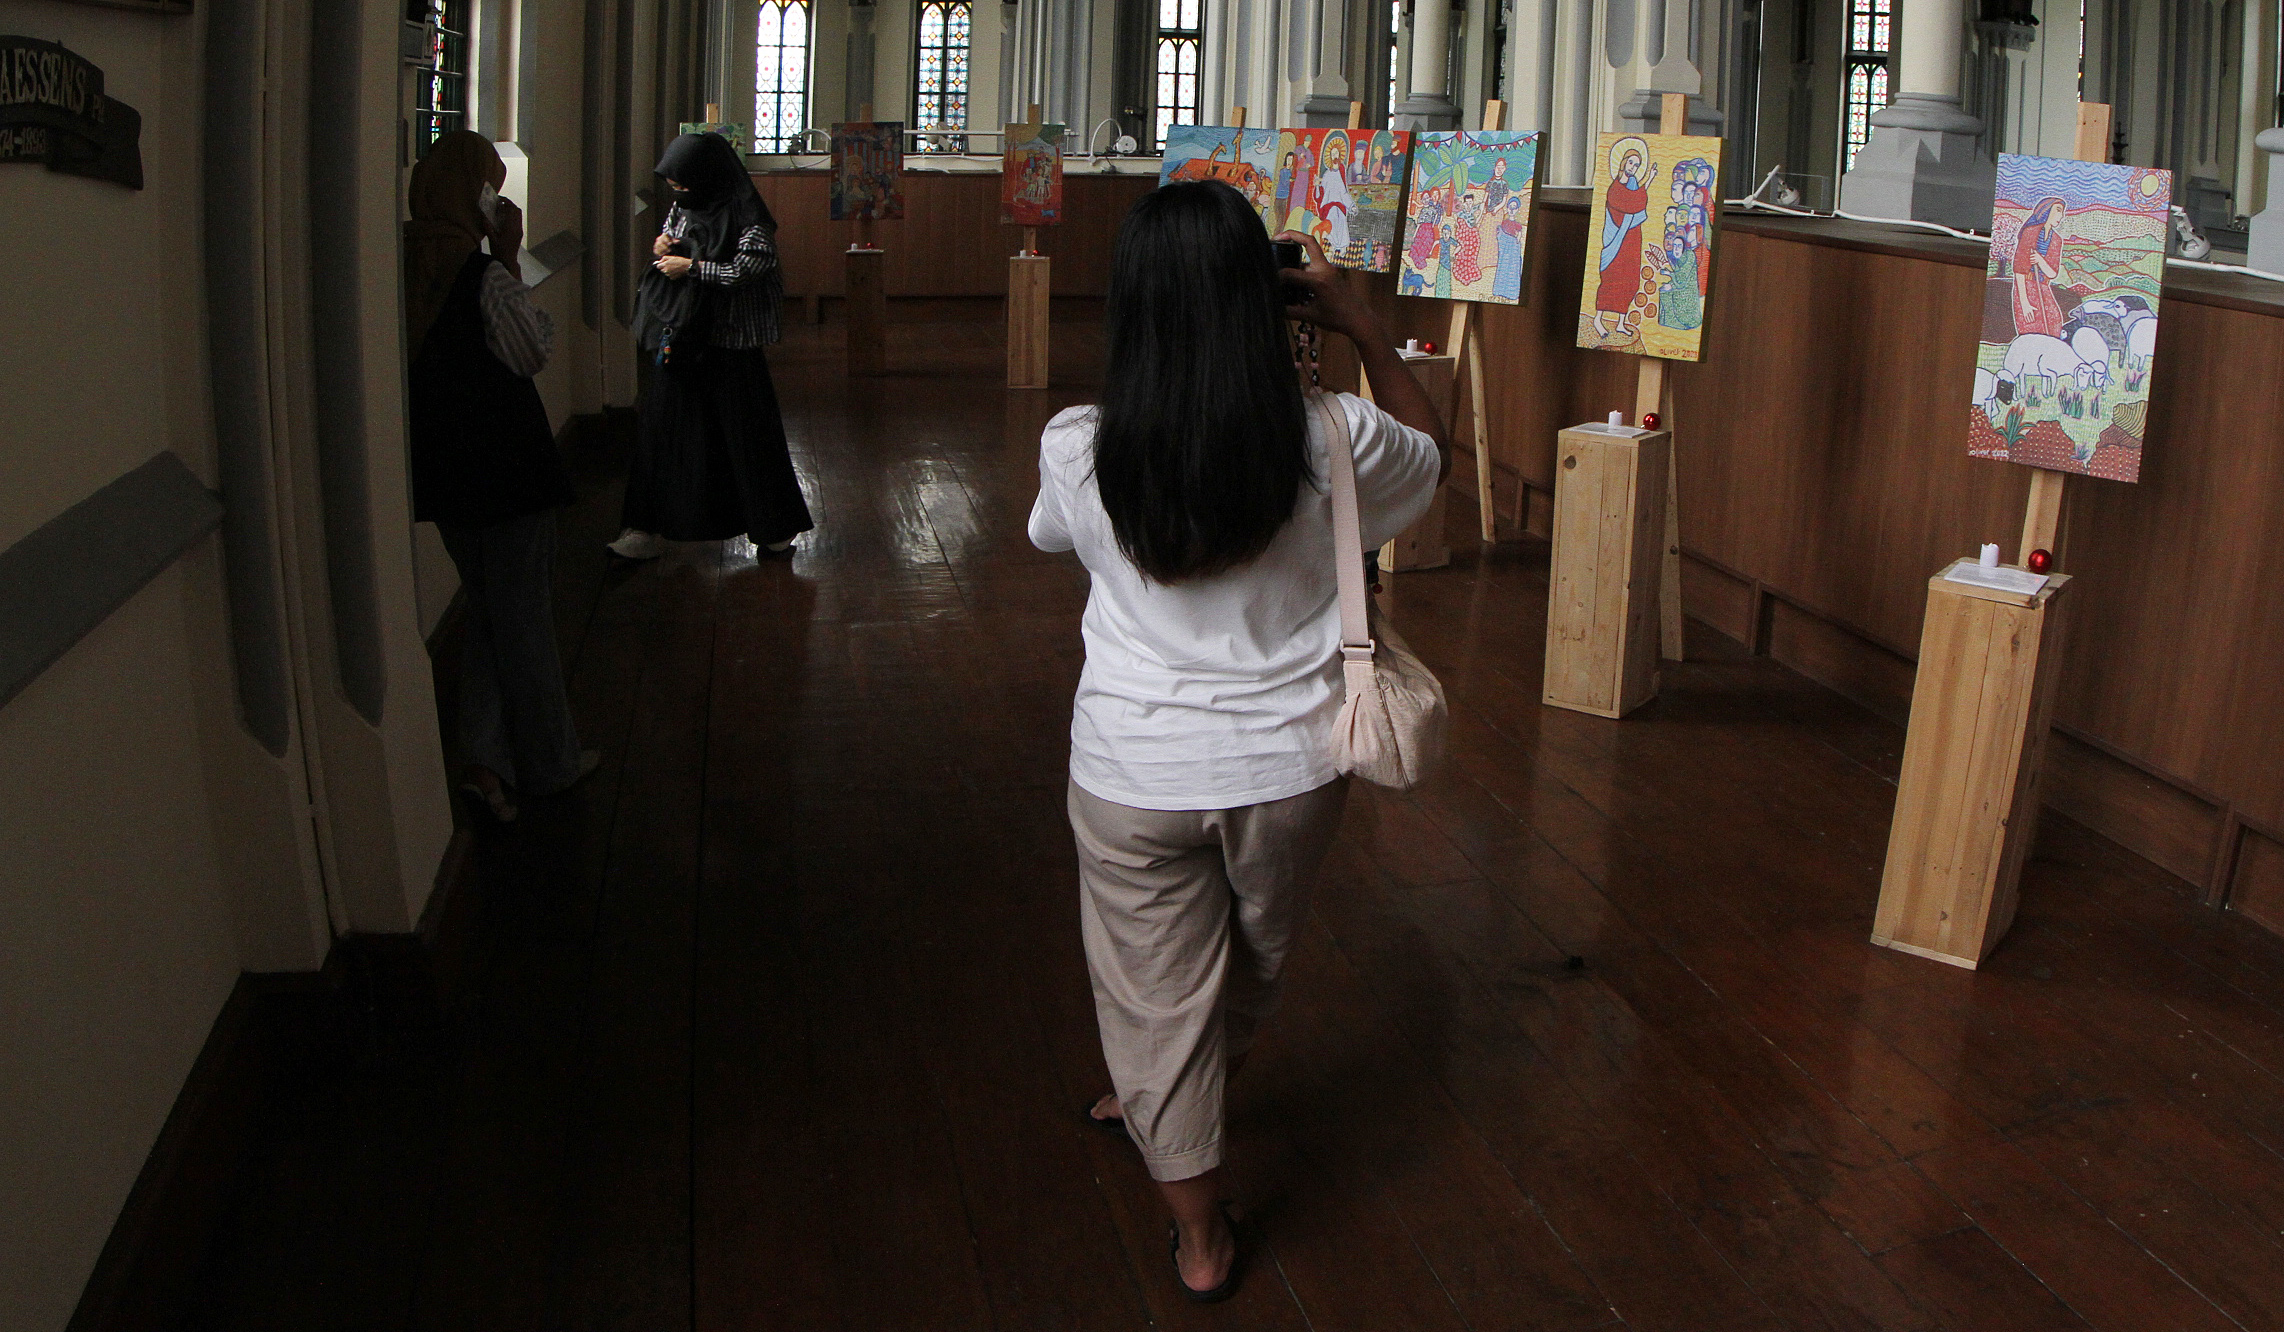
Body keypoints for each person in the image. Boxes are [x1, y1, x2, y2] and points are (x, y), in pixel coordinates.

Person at [1027, 181, 1451, 1302]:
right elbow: (1434, 452)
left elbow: (1051, 537)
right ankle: (1169, 1093)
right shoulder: (1337, 438)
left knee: (1150, 995)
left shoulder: (1077, 448)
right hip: (1289, 771)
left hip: (1129, 771)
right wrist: (1360, 322)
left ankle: (1197, 1225)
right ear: (1264, 301)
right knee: (1252, 961)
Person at [404, 130, 596, 822]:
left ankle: (484, 764)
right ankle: (550, 763)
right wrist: (508, 257)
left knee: (489, 615)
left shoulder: (403, 267)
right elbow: (530, 350)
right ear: (474, 195)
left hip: (447, 476)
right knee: (525, 624)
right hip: (508, 473)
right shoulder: (479, 274)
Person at [610, 132, 813, 561]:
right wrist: (663, 245)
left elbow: (750, 266)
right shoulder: (685, 204)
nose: (680, 194)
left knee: (747, 436)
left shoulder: (747, 214)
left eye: (684, 185)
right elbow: (672, 235)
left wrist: (694, 269)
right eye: (674, 187)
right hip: (685, 336)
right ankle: (645, 528)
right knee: (663, 432)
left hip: (731, 341)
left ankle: (774, 529)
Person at [1593, 142, 1657, 341]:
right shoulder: (1614, 189)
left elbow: (1638, 199)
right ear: (1623, 162)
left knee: (1630, 280)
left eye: (1637, 165)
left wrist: (1649, 179)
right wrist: (1648, 181)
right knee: (1611, 279)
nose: (1633, 168)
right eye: (1631, 163)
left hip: (1632, 239)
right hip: (1615, 240)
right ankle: (1598, 320)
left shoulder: (1633, 185)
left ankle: (1621, 322)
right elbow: (1632, 203)